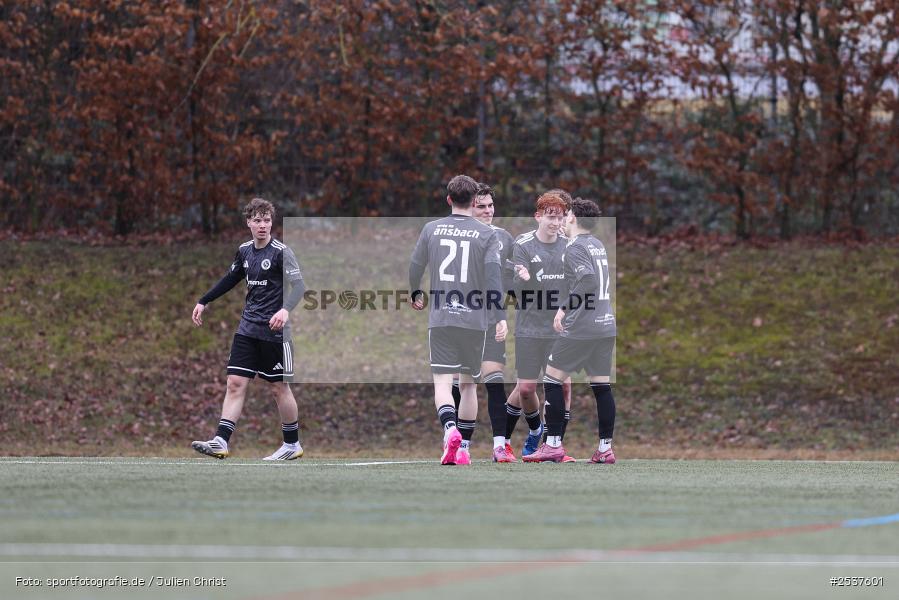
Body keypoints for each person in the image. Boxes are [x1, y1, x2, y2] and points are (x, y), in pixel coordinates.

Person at [190, 198, 307, 461]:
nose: (263, 225)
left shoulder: (281, 252)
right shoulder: (244, 251)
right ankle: (221, 440)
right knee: (234, 383)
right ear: (248, 223)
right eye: (257, 220)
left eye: (267, 220)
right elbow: (230, 278)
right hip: (247, 330)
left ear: (271, 222)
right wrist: (204, 300)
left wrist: (285, 309)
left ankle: (292, 444)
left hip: (275, 333)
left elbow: (299, 287)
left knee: (279, 389)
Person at [409, 175, 507, 465]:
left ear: (449, 199)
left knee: (442, 382)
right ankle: (463, 446)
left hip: (441, 318)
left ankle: (449, 428)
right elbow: (492, 278)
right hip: (475, 321)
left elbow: (416, 266)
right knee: (468, 385)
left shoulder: (431, 229)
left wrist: (415, 291)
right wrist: (499, 316)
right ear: (474, 201)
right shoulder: (488, 235)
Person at [523, 197, 617, 464]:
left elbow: (587, 279)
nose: (563, 219)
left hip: (583, 326)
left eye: (567, 214)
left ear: (573, 217)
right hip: (606, 325)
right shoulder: (596, 244)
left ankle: (552, 444)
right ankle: (605, 448)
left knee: (552, 379)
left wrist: (564, 309)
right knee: (601, 387)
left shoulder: (575, 247)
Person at [506, 191, 574, 462]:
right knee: (525, 389)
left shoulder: (569, 246)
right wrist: (522, 279)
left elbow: (576, 285)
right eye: (550, 216)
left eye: (559, 217)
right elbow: (513, 291)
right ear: (538, 216)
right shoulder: (523, 245)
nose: (555, 222)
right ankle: (535, 431)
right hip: (530, 328)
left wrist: (568, 310)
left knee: (564, 386)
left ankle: (554, 444)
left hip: (559, 330)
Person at [459, 183, 517, 463]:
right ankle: (462, 446)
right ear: (469, 207)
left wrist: (520, 272)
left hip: (492, 318)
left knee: (494, 382)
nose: (487, 211)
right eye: (481, 206)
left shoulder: (504, 237)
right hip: (464, 319)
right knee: (465, 383)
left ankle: (499, 445)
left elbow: (509, 277)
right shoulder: (461, 237)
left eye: (490, 205)